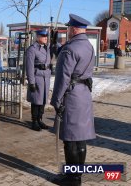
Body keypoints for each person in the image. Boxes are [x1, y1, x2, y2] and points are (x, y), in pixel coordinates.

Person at [51, 14, 96, 185]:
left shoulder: (70, 49)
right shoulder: (88, 46)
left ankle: (72, 179)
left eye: (69, 27)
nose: (68, 30)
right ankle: (77, 176)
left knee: (70, 139)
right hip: (84, 94)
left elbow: (62, 78)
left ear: (74, 29)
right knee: (81, 138)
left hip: (71, 96)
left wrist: (56, 101)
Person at [26, 29, 51, 131]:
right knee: (36, 101)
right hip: (37, 78)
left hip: (46, 78)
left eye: (46, 36)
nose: (46, 38)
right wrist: (31, 82)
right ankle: (34, 121)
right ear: (38, 37)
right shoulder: (32, 49)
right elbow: (29, 67)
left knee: (43, 100)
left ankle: (40, 119)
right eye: (43, 36)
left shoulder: (47, 48)